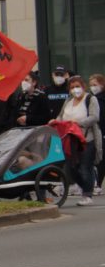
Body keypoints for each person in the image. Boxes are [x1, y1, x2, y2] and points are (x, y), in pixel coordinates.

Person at [53, 75, 102, 206]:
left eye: (77, 86)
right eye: (72, 87)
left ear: (83, 86)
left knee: (85, 168)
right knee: (70, 168)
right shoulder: (68, 101)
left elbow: (94, 117)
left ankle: (87, 194)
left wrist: (78, 123)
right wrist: (55, 121)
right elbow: (61, 116)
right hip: (70, 140)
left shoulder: (91, 99)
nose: (75, 90)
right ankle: (83, 186)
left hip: (87, 139)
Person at [91, 73, 105, 193]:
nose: (93, 87)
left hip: (102, 131)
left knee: (101, 159)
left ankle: (98, 184)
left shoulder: (101, 99)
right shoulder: (92, 99)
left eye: (95, 85)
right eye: (91, 85)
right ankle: (97, 183)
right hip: (97, 131)